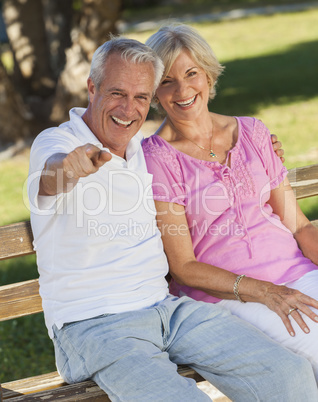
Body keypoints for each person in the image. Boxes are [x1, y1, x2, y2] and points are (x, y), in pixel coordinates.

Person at [27, 36, 318, 402]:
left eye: (140, 98)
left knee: (288, 375)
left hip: (169, 312)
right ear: (91, 88)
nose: (128, 108)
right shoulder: (57, 143)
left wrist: (262, 147)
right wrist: (69, 167)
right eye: (117, 93)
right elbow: (49, 178)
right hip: (96, 323)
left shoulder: (137, 149)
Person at [142, 23, 318, 383]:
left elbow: (298, 225)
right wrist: (267, 292)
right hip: (233, 296)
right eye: (167, 81)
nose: (183, 89)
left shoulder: (252, 132)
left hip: (298, 274)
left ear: (208, 74)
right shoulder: (156, 159)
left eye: (191, 73)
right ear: (154, 92)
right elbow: (184, 266)